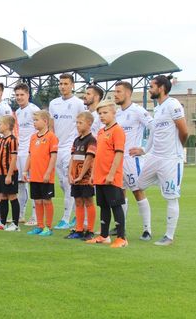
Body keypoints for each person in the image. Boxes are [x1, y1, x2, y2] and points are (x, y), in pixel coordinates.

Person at [132, 75, 188, 246]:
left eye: (152, 86)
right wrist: (144, 150)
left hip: (170, 159)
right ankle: (146, 228)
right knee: (138, 185)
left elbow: (184, 131)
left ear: (161, 88)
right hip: (154, 157)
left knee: (171, 197)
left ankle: (169, 236)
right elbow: (154, 133)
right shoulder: (158, 109)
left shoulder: (173, 104)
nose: (149, 89)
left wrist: (179, 148)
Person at [114, 81, 154, 241]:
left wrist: (144, 148)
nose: (115, 94)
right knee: (120, 193)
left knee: (137, 191)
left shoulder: (138, 110)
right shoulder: (117, 113)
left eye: (119, 91)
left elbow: (154, 127)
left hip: (132, 160)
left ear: (128, 93)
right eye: (115, 91)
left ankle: (147, 230)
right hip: (118, 159)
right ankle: (121, 228)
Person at [86, 100, 128, 248]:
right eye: (100, 113)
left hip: (111, 176)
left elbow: (118, 154)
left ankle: (122, 238)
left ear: (114, 113)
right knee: (103, 206)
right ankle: (104, 236)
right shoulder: (101, 132)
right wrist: (93, 174)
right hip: (99, 176)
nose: (102, 116)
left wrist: (111, 174)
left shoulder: (117, 131)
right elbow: (98, 155)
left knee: (115, 205)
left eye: (105, 113)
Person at [49, 73, 85, 230]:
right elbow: (51, 126)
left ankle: (65, 218)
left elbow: (83, 124)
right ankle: (78, 212)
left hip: (71, 147)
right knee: (63, 184)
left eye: (66, 83)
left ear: (72, 85)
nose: (63, 86)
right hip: (58, 147)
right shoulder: (53, 103)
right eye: (61, 83)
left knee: (69, 182)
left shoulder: (78, 103)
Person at [24, 110, 59, 237]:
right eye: (33, 120)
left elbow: (53, 157)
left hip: (45, 176)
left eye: (36, 120)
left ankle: (48, 227)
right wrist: (25, 170)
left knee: (46, 201)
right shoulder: (33, 137)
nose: (34, 122)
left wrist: (48, 173)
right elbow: (30, 155)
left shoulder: (51, 137)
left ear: (45, 121)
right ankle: (39, 226)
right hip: (34, 176)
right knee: (37, 201)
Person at [65, 111, 97, 240]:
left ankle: (90, 230)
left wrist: (81, 176)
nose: (77, 125)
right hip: (75, 177)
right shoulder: (76, 140)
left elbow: (89, 159)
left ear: (89, 123)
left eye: (80, 123)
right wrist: (69, 174)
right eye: (77, 122)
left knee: (88, 201)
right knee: (78, 202)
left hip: (86, 178)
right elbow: (72, 158)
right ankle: (78, 229)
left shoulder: (92, 140)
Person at [13, 82, 40, 226]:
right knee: (20, 184)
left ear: (28, 95)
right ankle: (21, 214)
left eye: (22, 95)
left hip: (31, 151)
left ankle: (35, 217)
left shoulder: (34, 110)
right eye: (17, 95)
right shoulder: (18, 112)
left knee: (31, 183)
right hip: (21, 150)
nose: (19, 97)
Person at [0, 115, 20, 232]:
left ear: (7, 126)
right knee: (3, 196)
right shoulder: (1, 140)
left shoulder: (12, 140)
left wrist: (9, 175)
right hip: (1, 173)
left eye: (0, 124)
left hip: (9, 173)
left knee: (12, 196)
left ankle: (15, 224)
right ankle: (2, 222)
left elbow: (13, 158)